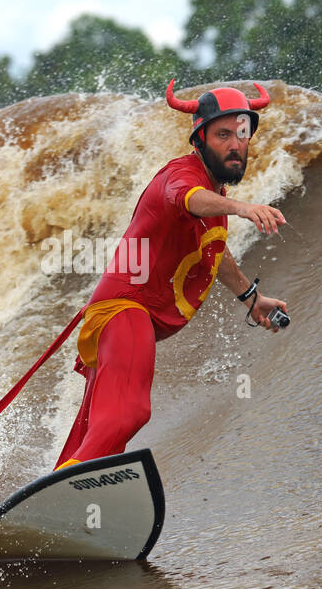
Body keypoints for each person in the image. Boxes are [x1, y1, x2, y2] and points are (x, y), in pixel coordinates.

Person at [53, 80, 290, 471]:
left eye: (242, 133)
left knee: (95, 430)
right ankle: (66, 494)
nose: (235, 144)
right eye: (223, 134)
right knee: (130, 412)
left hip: (126, 316)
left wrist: (252, 298)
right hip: (125, 310)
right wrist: (241, 208)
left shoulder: (211, 192)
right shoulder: (182, 177)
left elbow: (214, 251)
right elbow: (188, 199)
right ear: (200, 140)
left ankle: (52, 504)